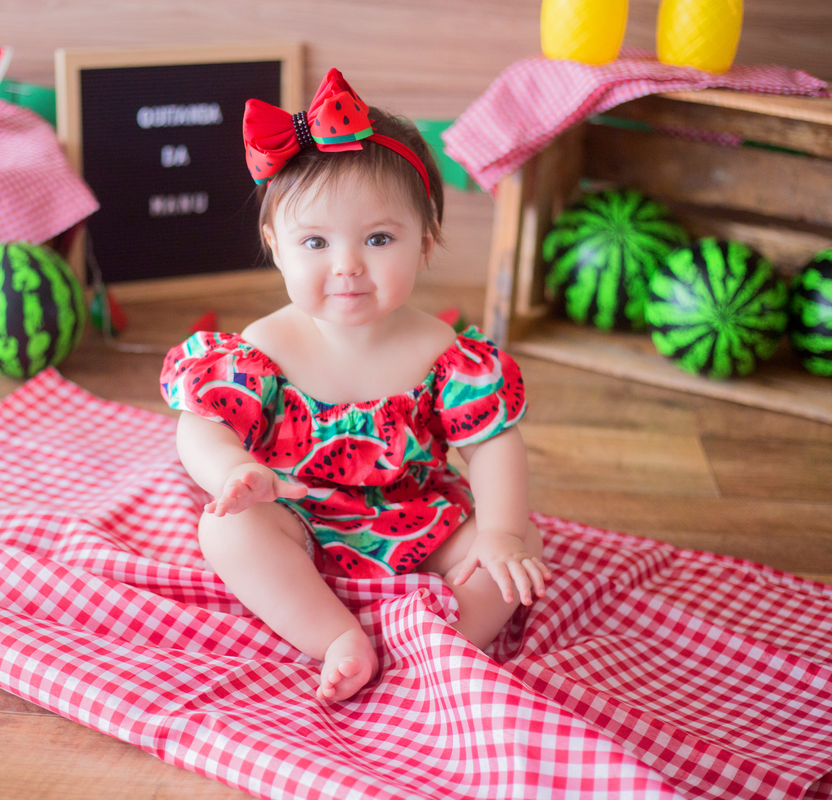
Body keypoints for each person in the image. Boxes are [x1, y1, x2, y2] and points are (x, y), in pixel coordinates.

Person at [160, 69, 550, 703]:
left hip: (418, 515)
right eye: (314, 241)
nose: (347, 266)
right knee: (227, 531)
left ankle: (447, 649)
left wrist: (502, 529)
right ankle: (335, 636)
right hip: (295, 511)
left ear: (424, 244)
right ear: (276, 248)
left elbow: (493, 444)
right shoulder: (262, 350)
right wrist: (233, 470)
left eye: (378, 238)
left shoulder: (444, 355)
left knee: (514, 543)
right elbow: (202, 424)